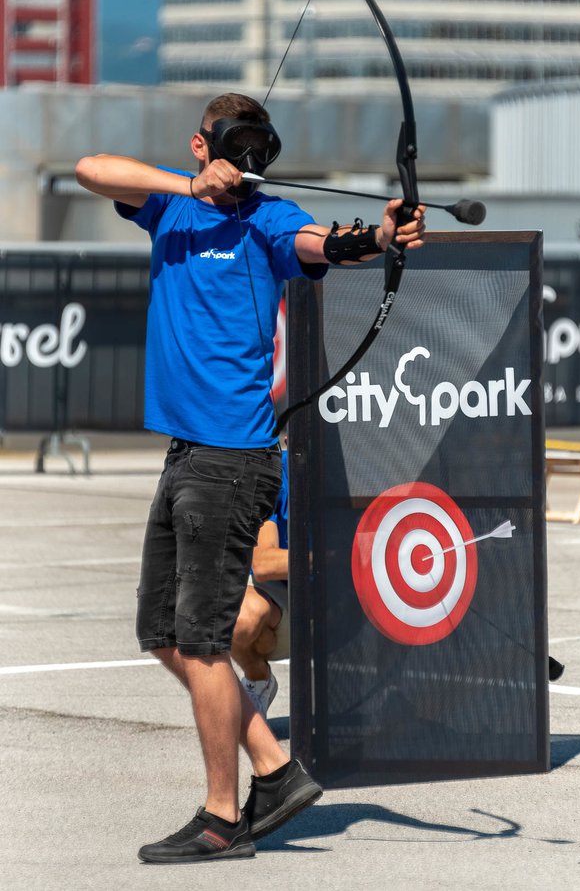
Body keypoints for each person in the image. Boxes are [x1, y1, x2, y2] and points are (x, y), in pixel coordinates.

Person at [75, 92, 426, 865]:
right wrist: (187, 188)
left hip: (231, 462)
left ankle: (221, 818)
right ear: (199, 147)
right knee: (163, 633)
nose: (241, 164)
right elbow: (89, 168)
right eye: (228, 148)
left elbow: (327, 243)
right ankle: (273, 766)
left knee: (200, 641)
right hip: (186, 454)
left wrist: (382, 232)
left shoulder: (266, 220)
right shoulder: (170, 209)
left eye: (252, 150)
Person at [232, 447, 290, 719]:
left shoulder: (358, 474)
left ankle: (393, 693)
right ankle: (258, 680)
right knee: (235, 616)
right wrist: (331, 559)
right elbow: (264, 563)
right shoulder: (277, 477)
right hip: (291, 603)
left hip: (350, 604)